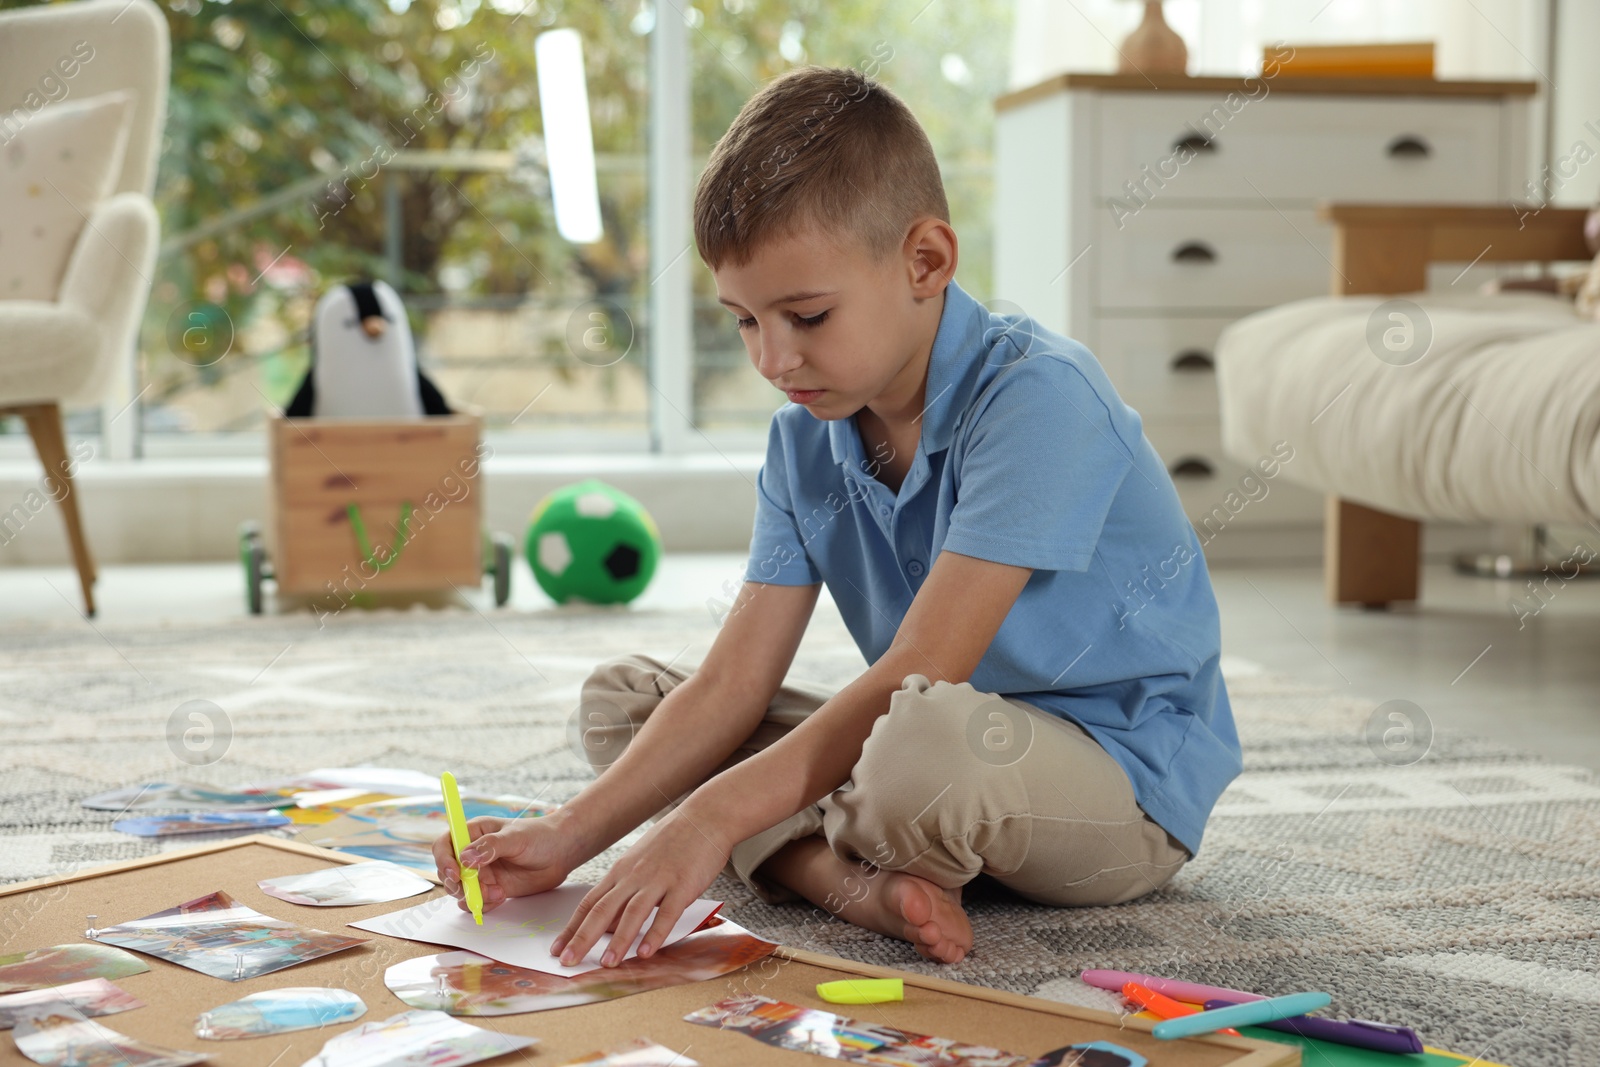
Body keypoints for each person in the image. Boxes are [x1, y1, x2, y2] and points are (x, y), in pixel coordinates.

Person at [433, 65, 1242, 968]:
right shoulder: (804, 439)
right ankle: (846, 881)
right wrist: (569, 832)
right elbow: (735, 683)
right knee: (630, 702)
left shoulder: (1039, 398)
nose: (774, 357)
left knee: (920, 744)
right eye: (743, 321)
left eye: (807, 315)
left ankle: (808, 852)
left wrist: (706, 816)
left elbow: (922, 671)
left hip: (1114, 786)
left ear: (926, 262)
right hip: (923, 736)